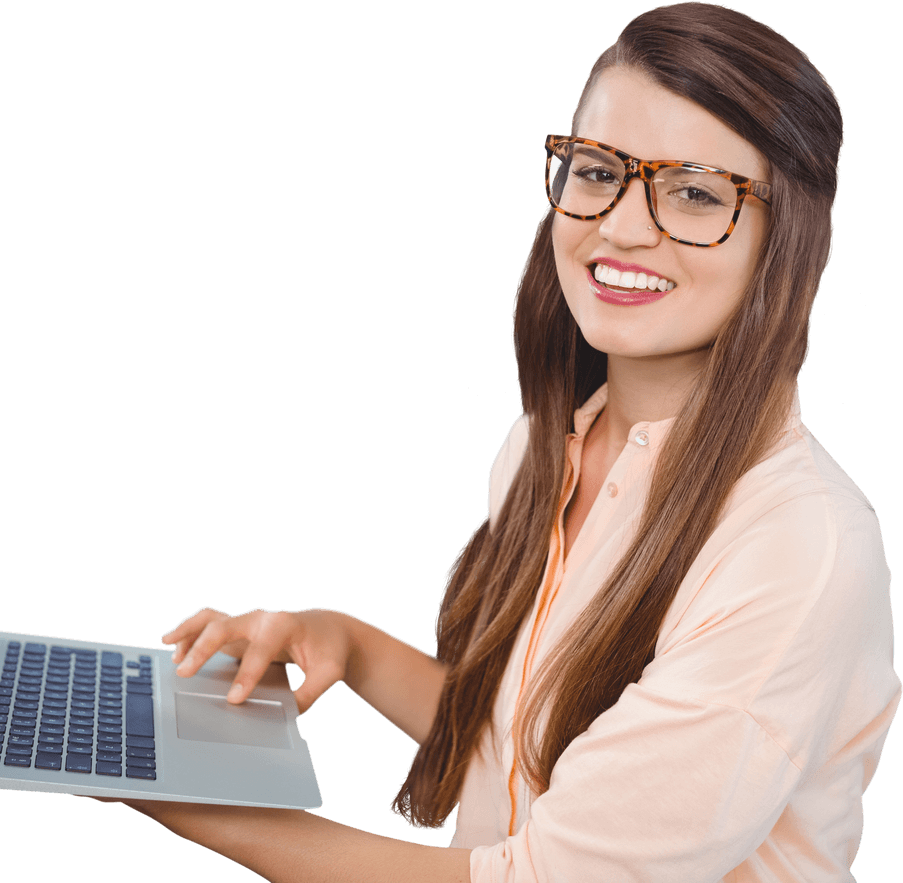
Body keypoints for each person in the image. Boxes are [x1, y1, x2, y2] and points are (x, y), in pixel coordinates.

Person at [98, 4, 900, 880]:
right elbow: (530, 750)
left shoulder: (800, 548)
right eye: (598, 171)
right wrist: (345, 642)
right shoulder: (541, 451)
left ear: (786, 241)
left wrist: (203, 806)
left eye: (696, 192)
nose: (623, 228)